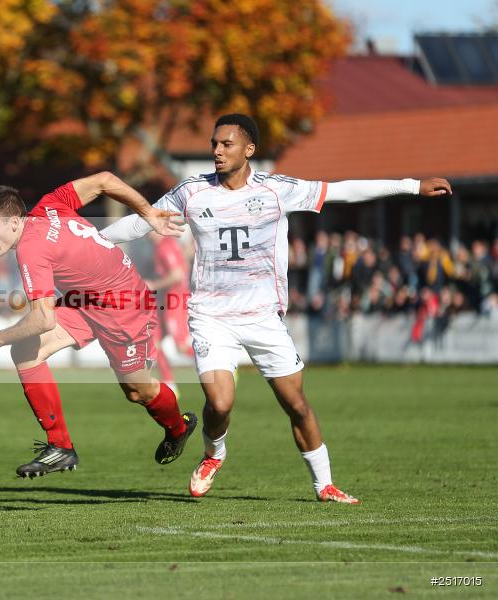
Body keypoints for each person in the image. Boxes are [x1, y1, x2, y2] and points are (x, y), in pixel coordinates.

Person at [100, 113, 452, 503]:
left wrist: (411, 186)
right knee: (219, 402)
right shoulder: (191, 192)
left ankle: (325, 485)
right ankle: (213, 456)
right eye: (214, 144)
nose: (217, 151)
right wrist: (89, 239)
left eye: (226, 144)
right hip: (210, 315)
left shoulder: (277, 190)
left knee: (296, 404)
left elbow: (342, 191)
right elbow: (140, 222)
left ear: (249, 149)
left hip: (264, 317)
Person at [0, 172, 196, 478]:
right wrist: (148, 212)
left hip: (124, 308)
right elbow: (104, 179)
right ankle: (60, 446)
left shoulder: (30, 249)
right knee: (25, 351)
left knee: (137, 391)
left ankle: (177, 429)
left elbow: (43, 318)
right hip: (87, 301)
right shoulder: (50, 204)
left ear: (13, 222)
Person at [144, 231, 193, 397]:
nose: (143, 232)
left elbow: (177, 275)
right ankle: (169, 385)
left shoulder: (165, 246)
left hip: (175, 299)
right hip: (168, 299)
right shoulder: (163, 245)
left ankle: (219, 364)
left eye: (146, 226)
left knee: (181, 347)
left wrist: (153, 284)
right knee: (153, 340)